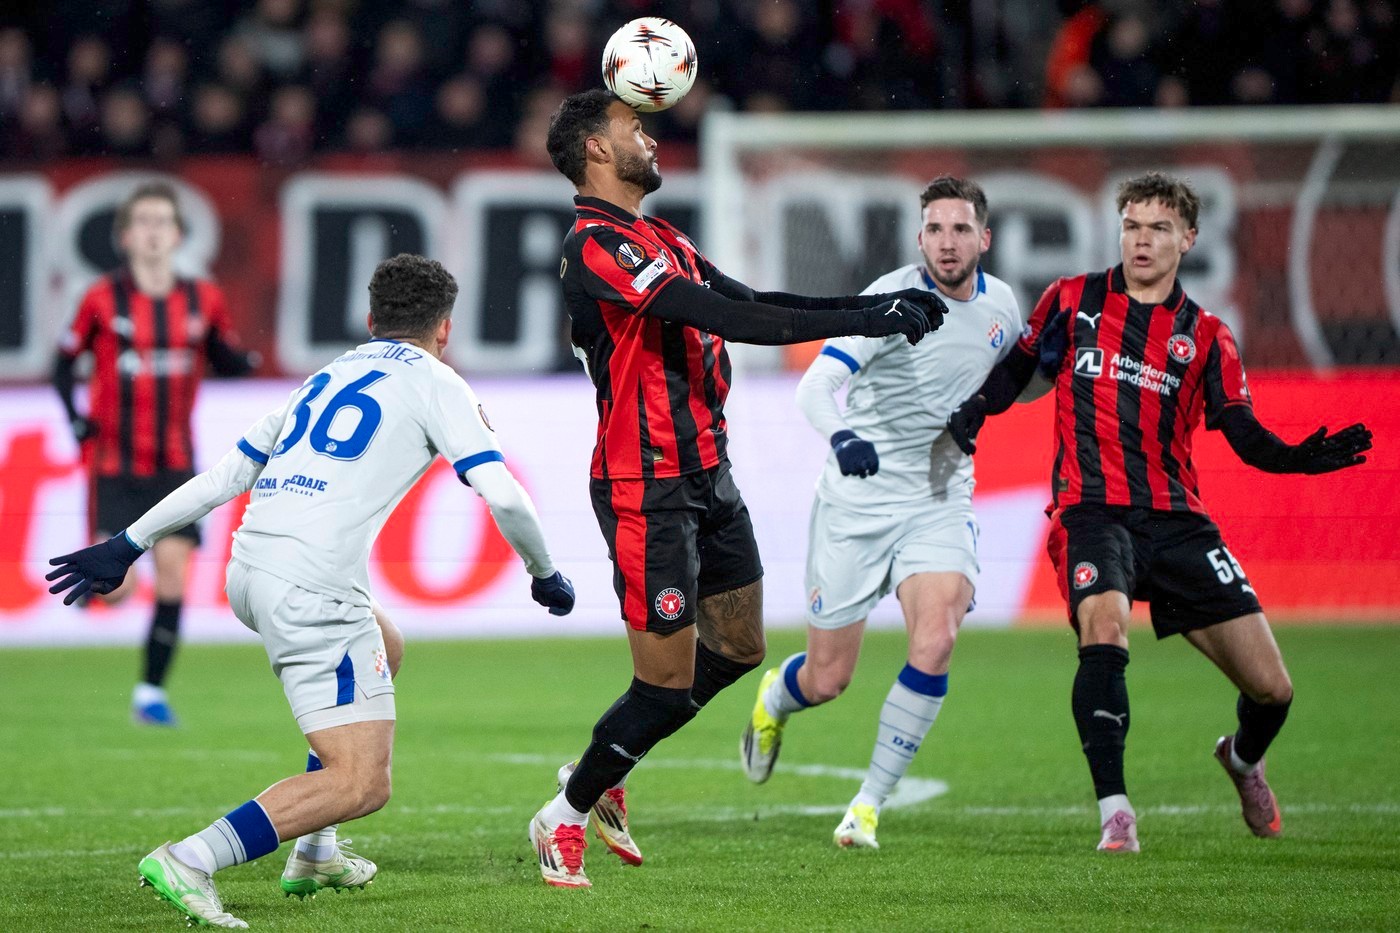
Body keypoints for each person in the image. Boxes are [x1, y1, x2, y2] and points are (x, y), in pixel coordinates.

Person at [47, 254, 576, 928]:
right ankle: (190, 857)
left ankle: (316, 852)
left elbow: (224, 477)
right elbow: (504, 496)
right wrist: (543, 572)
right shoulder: (438, 384)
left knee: (384, 642)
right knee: (361, 782)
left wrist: (128, 543)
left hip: (250, 570)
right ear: (445, 327)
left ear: (370, 319)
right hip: (310, 588)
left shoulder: (327, 376)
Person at [531, 88, 945, 889]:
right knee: (662, 685)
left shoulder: (661, 237)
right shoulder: (596, 245)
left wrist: (878, 308)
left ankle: (607, 764)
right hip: (645, 485)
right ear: (596, 150)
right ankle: (564, 812)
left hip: (708, 475)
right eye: (633, 128)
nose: (650, 138)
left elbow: (752, 302)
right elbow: (729, 320)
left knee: (739, 648)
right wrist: (868, 322)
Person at [945, 171, 1373, 853]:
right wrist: (975, 411)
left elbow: (1240, 430)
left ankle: (1242, 759)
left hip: (1175, 519)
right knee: (1104, 627)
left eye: (1158, 228)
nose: (1141, 240)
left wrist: (1295, 457)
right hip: (1090, 510)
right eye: (1132, 226)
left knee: (1273, 690)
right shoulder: (1072, 299)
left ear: (1188, 238)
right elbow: (1018, 370)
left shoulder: (1206, 335)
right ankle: (1116, 811)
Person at [739, 175, 1026, 849]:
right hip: (856, 504)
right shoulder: (891, 302)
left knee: (937, 639)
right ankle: (776, 698)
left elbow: (1017, 376)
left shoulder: (1004, 308)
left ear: (984, 238)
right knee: (828, 678)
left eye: (961, 229)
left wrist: (991, 406)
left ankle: (866, 806)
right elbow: (816, 385)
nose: (947, 242)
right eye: (935, 229)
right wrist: (843, 436)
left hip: (938, 500)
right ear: (919, 237)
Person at [52, 180, 258, 726]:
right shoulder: (101, 298)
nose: (153, 232)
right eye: (142, 221)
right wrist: (74, 418)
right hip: (114, 464)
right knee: (117, 590)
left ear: (178, 235)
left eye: (162, 222)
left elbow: (223, 355)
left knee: (173, 577)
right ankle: (109, 589)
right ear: (124, 236)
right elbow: (62, 362)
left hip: (174, 463)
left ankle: (149, 694)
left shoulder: (203, 298)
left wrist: (242, 363)